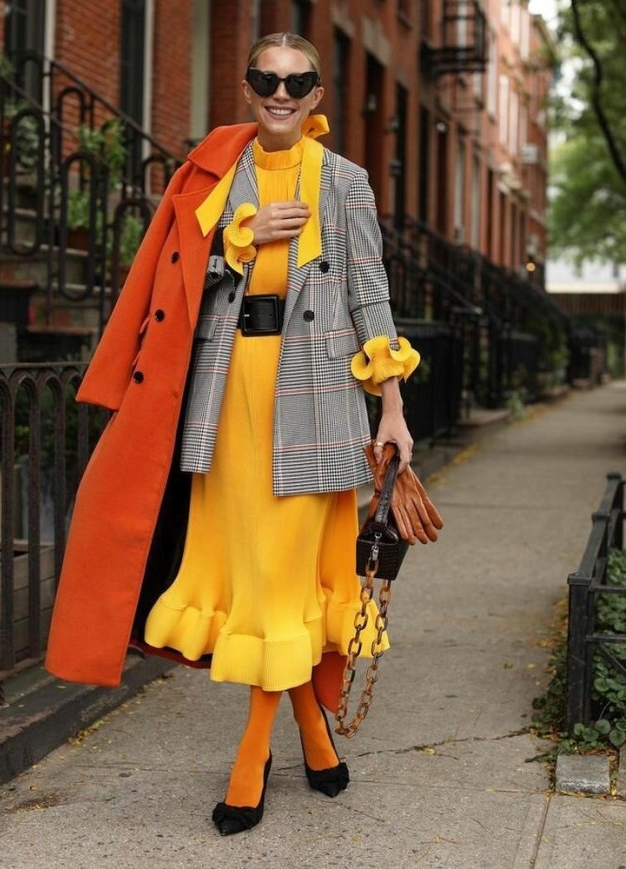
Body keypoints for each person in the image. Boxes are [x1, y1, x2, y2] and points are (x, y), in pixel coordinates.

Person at [45, 32, 420, 836]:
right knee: (255, 575)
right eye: (265, 80)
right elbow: (177, 278)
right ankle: (313, 733)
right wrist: (239, 242)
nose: (280, 94)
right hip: (227, 398)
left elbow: (369, 293)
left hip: (314, 394)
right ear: (247, 89)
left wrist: (390, 404)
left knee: (279, 575)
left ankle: (251, 755)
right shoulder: (213, 175)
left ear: (316, 95)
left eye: (297, 82)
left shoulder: (344, 181)